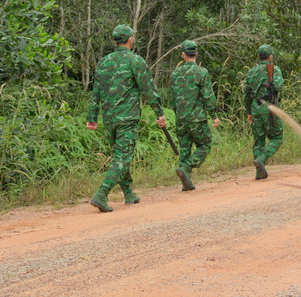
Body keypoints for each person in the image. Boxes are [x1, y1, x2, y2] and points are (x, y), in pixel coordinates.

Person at [86, 24, 166, 212]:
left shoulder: (104, 62)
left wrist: (92, 117)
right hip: (127, 118)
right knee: (123, 157)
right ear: (130, 39)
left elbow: (96, 91)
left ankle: (128, 192)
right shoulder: (134, 61)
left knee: (120, 156)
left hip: (109, 119)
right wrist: (159, 112)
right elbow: (148, 89)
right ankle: (101, 194)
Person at [170, 40, 220, 191]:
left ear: (183, 55)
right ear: (196, 54)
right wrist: (214, 116)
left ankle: (186, 182)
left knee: (184, 149)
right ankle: (186, 167)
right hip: (197, 118)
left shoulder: (175, 73)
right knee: (205, 144)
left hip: (181, 119)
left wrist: (178, 113)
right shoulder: (201, 72)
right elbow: (208, 97)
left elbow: (173, 99)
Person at [243, 44, 284, 180]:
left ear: (259, 56)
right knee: (277, 138)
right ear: (270, 56)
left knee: (259, 140)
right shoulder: (275, 69)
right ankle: (262, 159)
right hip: (270, 107)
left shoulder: (252, 71)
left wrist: (249, 111)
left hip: (256, 108)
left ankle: (259, 173)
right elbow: (279, 86)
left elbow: (247, 94)